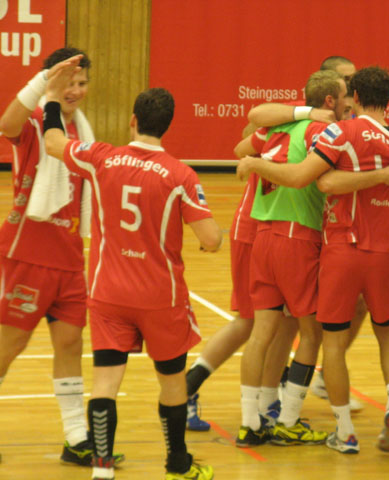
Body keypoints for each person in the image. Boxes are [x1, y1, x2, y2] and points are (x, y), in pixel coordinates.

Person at [237, 66, 389, 454]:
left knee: (303, 339)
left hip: (301, 241)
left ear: (355, 97)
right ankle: (386, 403)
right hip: (359, 248)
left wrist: (255, 163)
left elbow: (257, 148)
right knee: (372, 334)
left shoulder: (314, 131)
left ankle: (297, 427)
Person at [43, 57, 221, 480]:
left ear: (132, 120)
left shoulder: (101, 157)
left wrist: (51, 98)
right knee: (172, 382)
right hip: (161, 298)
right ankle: (177, 465)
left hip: (109, 293)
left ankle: (102, 467)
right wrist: (202, 237)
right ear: (167, 127)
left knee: (105, 382)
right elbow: (212, 239)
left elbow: (52, 142)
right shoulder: (180, 175)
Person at [185, 56, 360, 430]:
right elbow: (247, 135)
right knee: (252, 322)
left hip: (275, 226)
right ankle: (189, 387)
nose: (353, 92)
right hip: (261, 226)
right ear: (330, 91)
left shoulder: (322, 123)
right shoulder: (301, 119)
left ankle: (267, 403)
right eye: (348, 83)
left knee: (285, 323)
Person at [0, 47, 124, 467]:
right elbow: (6, 124)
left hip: (70, 258)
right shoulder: (36, 120)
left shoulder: (82, 132)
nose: (76, 90)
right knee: (9, 345)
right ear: (49, 81)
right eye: (68, 82)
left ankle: (76, 438)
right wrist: (43, 84)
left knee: (70, 344)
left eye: (82, 82)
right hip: (27, 255)